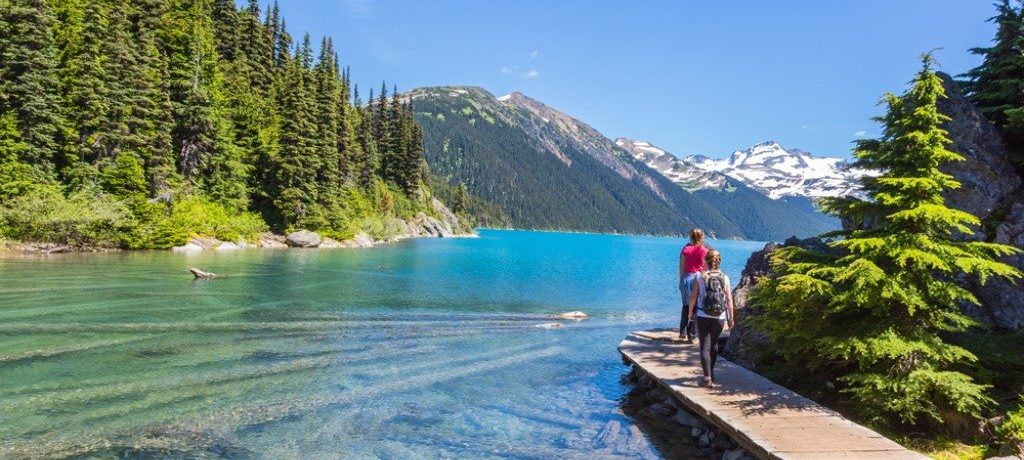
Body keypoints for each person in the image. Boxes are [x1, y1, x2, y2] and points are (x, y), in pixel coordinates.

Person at [687, 250, 734, 388]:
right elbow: (729, 300)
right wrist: (731, 318)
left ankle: (707, 378)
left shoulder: (699, 276)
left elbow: (693, 297)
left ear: (706, 261)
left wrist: (690, 313)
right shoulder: (725, 277)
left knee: (704, 347)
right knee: (714, 345)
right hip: (720, 317)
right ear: (719, 261)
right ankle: (711, 373)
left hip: (703, 315)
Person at [678, 229, 709, 342]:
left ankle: (682, 330)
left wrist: (681, 281)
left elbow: (682, 268)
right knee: (696, 307)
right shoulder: (705, 251)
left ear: (690, 237)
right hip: (698, 279)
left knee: (686, 305)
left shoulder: (685, 250)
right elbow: (706, 268)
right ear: (702, 238)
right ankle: (692, 335)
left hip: (687, 278)